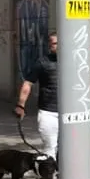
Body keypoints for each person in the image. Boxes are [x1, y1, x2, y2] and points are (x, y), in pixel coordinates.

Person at [15, 31, 61, 159]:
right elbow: (28, 84)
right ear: (49, 45)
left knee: (67, 147)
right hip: (48, 112)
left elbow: (87, 78)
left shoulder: (73, 61)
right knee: (50, 147)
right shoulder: (42, 62)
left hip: (68, 114)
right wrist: (21, 105)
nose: (58, 46)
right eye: (54, 43)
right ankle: (49, 177)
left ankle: (63, 175)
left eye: (60, 43)